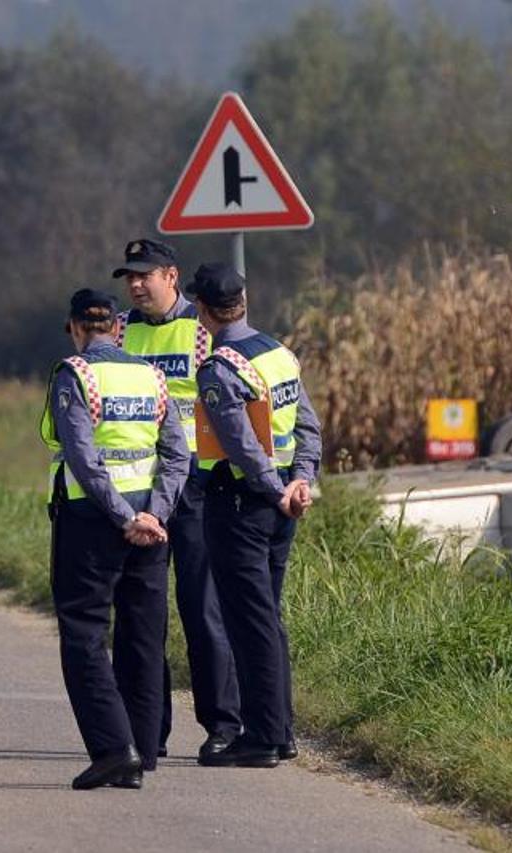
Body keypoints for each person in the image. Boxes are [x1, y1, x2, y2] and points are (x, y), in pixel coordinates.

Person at [40, 288, 190, 790]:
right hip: (152, 525)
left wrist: (125, 516)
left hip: (93, 523)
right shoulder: (153, 376)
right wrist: (155, 514)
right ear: (115, 327)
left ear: (76, 327)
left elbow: (84, 459)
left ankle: (112, 749)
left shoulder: (74, 374)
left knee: (83, 635)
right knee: (142, 637)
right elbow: (176, 455)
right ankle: (143, 751)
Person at [112, 238, 242, 760]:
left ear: (172, 276)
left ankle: (223, 723)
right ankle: (149, 730)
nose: (137, 285)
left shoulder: (201, 328)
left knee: (201, 607)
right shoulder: (121, 330)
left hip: (195, 482)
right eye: (130, 277)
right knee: (143, 615)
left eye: (146, 275)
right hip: (143, 485)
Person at [188, 262, 322, 768]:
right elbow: (308, 425)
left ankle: (261, 737)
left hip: (243, 504)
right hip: (283, 502)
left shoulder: (220, 368)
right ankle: (280, 730)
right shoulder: (279, 354)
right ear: (242, 302)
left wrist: (274, 490)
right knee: (269, 616)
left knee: (249, 621)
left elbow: (240, 445)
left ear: (202, 309)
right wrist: (300, 482)